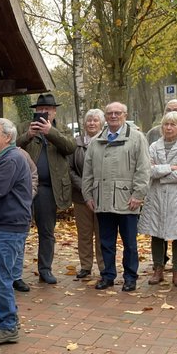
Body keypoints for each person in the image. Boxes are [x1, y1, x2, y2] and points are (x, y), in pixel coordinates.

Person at [82, 101, 150, 292]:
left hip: (127, 200)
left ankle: (130, 277)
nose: (113, 116)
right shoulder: (96, 141)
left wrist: (138, 194)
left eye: (117, 113)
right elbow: (88, 172)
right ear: (105, 116)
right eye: (110, 113)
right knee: (106, 242)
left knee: (130, 243)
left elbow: (144, 169)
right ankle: (108, 276)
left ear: (125, 115)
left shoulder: (136, 138)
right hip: (102, 200)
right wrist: (88, 195)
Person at [0, 118, 33, 345]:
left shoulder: (10, 159)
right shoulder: (1, 158)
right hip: (3, 225)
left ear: (8, 137)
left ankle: (9, 325)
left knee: (2, 277)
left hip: (9, 226)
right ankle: (5, 316)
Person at [16, 93, 75, 285]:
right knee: (19, 231)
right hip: (23, 188)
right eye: (40, 109)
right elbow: (11, 146)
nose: (43, 112)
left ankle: (45, 270)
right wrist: (28, 135)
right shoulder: (24, 127)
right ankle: (15, 273)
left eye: (47, 109)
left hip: (48, 189)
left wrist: (51, 132)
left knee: (47, 232)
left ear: (54, 111)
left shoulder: (62, 129)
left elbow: (70, 148)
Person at [137, 112, 177, 286]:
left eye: (173, 124)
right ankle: (158, 269)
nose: (169, 128)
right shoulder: (154, 146)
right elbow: (148, 170)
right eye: (166, 124)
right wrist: (171, 167)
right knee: (156, 232)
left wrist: (161, 173)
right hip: (155, 195)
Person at [69, 109, 105, 279]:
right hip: (80, 196)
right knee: (84, 233)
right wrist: (84, 187)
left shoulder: (107, 142)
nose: (91, 123)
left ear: (101, 123)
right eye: (89, 120)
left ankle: (104, 266)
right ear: (84, 124)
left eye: (95, 120)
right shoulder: (75, 144)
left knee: (102, 233)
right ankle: (85, 266)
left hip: (102, 195)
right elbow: (69, 169)